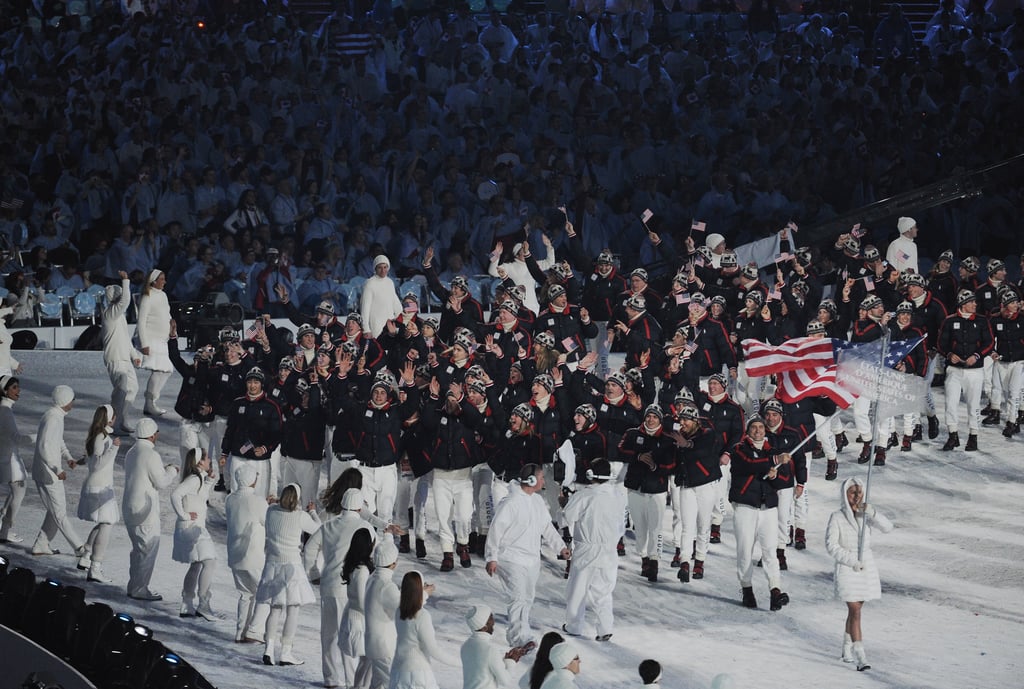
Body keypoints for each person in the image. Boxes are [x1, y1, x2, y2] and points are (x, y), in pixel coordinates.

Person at [485, 463, 571, 651]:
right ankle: (520, 638)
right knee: (518, 598)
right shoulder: (510, 503)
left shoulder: (537, 502)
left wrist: (561, 547)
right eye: (541, 478)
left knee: (527, 598)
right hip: (510, 559)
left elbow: (547, 528)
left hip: (531, 560)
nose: (543, 481)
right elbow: (495, 531)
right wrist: (491, 557)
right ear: (531, 480)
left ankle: (521, 634)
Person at [825, 477, 894, 672]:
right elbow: (831, 545)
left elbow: (888, 528)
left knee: (854, 611)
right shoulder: (837, 517)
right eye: (852, 493)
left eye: (859, 493)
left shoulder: (866, 516)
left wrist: (872, 512)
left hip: (866, 568)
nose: (856, 497)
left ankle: (846, 648)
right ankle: (860, 655)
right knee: (855, 610)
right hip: (848, 568)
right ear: (845, 494)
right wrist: (851, 561)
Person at [730, 416, 791, 611]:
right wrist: (772, 462)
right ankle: (746, 588)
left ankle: (775, 590)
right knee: (745, 550)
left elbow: (783, 481)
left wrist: (776, 474)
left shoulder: (773, 452)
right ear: (748, 431)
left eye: (761, 427)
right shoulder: (740, 449)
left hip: (768, 508)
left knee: (770, 550)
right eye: (754, 427)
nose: (758, 431)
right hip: (746, 506)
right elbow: (749, 464)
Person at [561, 459, 626, 641]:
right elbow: (621, 525)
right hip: (609, 550)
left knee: (577, 589)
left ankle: (574, 626)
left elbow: (568, 516)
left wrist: (563, 503)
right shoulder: (618, 496)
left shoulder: (585, 495)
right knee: (603, 591)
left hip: (587, 549)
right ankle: (605, 628)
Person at [257, 483, 320, 666]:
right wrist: (314, 512)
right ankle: (285, 652)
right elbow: (319, 529)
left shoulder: (271, 511)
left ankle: (268, 649)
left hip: (272, 564)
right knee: (293, 610)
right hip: (292, 565)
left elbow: (273, 516)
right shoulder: (301, 516)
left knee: (274, 609)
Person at [122, 417, 178, 600]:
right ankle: (139, 588)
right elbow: (161, 482)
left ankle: (134, 585)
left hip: (129, 506)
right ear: (153, 435)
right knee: (148, 548)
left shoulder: (131, 452)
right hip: (144, 510)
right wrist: (171, 471)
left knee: (138, 549)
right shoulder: (151, 455)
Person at [30, 385, 87, 558]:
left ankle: (41, 544)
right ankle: (79, 548)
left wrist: (68, 457)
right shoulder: (53, 418)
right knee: (60, 513)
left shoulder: (54, 415)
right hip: (49, 474)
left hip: (46, 472)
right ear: (65, 401)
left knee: (54, 510)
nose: (74, 401)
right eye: (72, 398)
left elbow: (57, 440)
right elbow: (45, 446)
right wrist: (57, 469)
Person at [171, 447, 219, 619]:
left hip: (194, 528)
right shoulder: (193, 479)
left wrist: (208, 482)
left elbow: (200, 497)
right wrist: (184, 515)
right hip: (192, 529)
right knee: (210, 562)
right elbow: (175, 495)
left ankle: (187, 604)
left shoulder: (198, 479)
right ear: (200, 462)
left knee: (197, 564)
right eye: (207, 459)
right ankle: (203, 604)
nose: (209, 461)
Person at [225, 464, 269, 644]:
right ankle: (255, 631)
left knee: (245, 594)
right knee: (266, 593)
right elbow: (267, 522)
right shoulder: (258, 501)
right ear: (252, 480)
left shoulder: (230, 499)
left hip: (234, 555)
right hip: (253, 556)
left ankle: (240, 631)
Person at [77, 405, 121, 583]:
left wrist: (81, 460)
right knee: (108, 523)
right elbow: (97, 464)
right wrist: (115, 448)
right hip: (99, 488)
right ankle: (95, 567)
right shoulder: (101, 437)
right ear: (110, 419)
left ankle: (86, 556)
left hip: (101, 486)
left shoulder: (99, 436)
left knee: (105, 522)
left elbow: (91, 459)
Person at [389, 570, 445, 689]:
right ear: (419, 589)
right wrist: (460, 661)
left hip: (398, 671)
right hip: (417, 673)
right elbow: (433, 650)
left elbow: (412, 603)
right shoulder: (423, 616)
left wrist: (424, 595)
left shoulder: (399, 612)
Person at [103, 270, 141, 435]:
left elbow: (125, 339)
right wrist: (126, 281)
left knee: (132, 389)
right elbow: (126, 301)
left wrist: (134, 355)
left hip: (124, 358)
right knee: (121, 392)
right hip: (115, 359)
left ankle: (122, 419)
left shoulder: (120, 317)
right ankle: (113, 423)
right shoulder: (110, 313)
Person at [339, 527, 375, 689]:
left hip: (351, 615)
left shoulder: (352, 565)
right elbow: (362, 600)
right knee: (367, 659)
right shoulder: (362, 571)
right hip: (359, 620)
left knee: (364, 661)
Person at [136, 269, 174, 416]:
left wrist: (171, 325)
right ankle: (150, 402)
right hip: (152, 340)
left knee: (166, 370)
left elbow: (167, 313)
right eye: (162, 279)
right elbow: (141, 322)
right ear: (153, 281)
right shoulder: (147, 296)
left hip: (163, 340)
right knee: (159, 370)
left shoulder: (163, 295)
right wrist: (144, 343)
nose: (164, 282)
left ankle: (151, 401)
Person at [461, 604, 524, 689]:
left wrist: (504, 661)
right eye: (490, 618)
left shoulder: (466, 646)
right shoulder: (490, 650)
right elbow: (505, 681)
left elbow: (482, 668)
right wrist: (511, 662)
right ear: (484, 627)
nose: (493, 622)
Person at [365, 540, 401, 689]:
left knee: (378, 684)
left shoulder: (372, 578)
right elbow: (404, 610)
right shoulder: (387, 585)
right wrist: (422, 594)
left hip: (373, 643)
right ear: (393, 563)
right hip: (384, 646)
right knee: (393, 684)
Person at [0, 375, 32, 544]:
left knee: (17, 492)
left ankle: (4, 527)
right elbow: (16, 438)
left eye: (17, 387)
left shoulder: (5, 409)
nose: (18, 391)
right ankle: (4, 529)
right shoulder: (5, 411)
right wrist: (39, 437)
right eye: (13, 388)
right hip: (8, 458)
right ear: (4, 391)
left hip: (8, 456)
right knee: (18, 491)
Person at [360, 254, 402, 338]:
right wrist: (366, 329)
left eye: (385, 267)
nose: (383, 270)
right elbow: (365, 308)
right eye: (380, 267)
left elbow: (395, 303)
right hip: (376, 324)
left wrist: (401, 319)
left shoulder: (390, 282)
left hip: (390, 323)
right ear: (375, 268)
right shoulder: (370, 283)